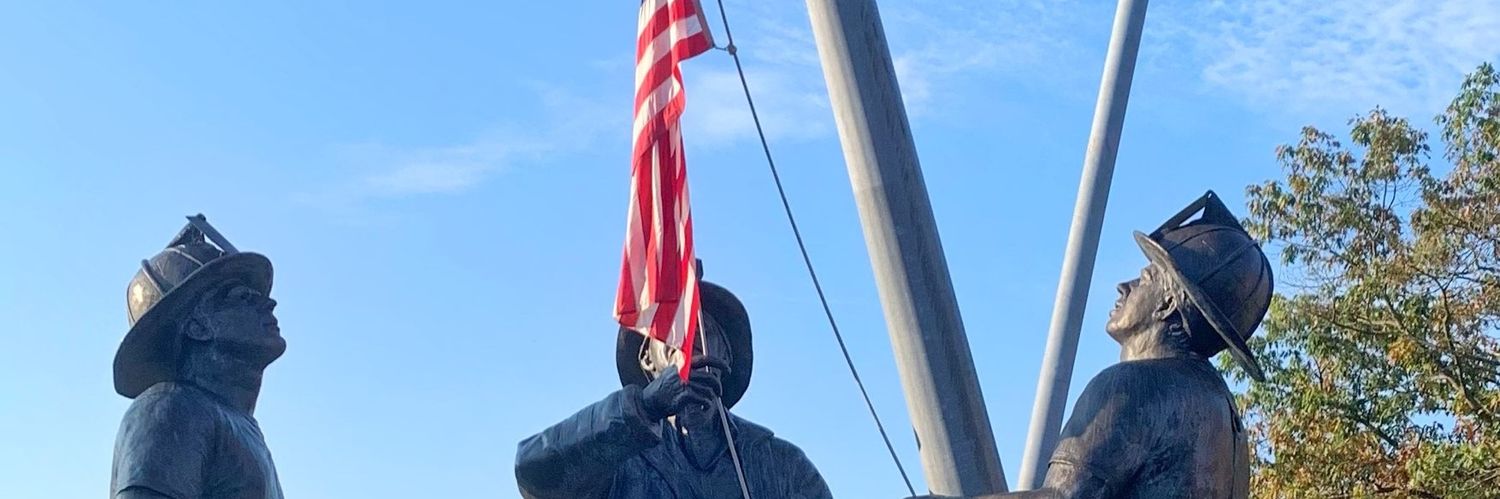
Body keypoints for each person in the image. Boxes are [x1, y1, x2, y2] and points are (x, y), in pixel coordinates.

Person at [919, 190, 1272, 499]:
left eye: (1146, 277)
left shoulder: (1131, 388)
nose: (1124, 285)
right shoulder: (1224, 415)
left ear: (1167, 304)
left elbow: (1063, 497)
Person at [515, 278, 833, 498]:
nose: (689, 350)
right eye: (671, 340)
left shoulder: (780, 464)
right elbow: (534, 476)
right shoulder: (620, 459)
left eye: (703, 335)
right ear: (648, 363)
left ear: (727, 359)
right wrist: (644, 408)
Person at [110, 215, 287, 499]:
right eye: (242, 297)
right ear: (197, 326)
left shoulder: (243, 429)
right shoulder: (171, 407)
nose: (269, 302)